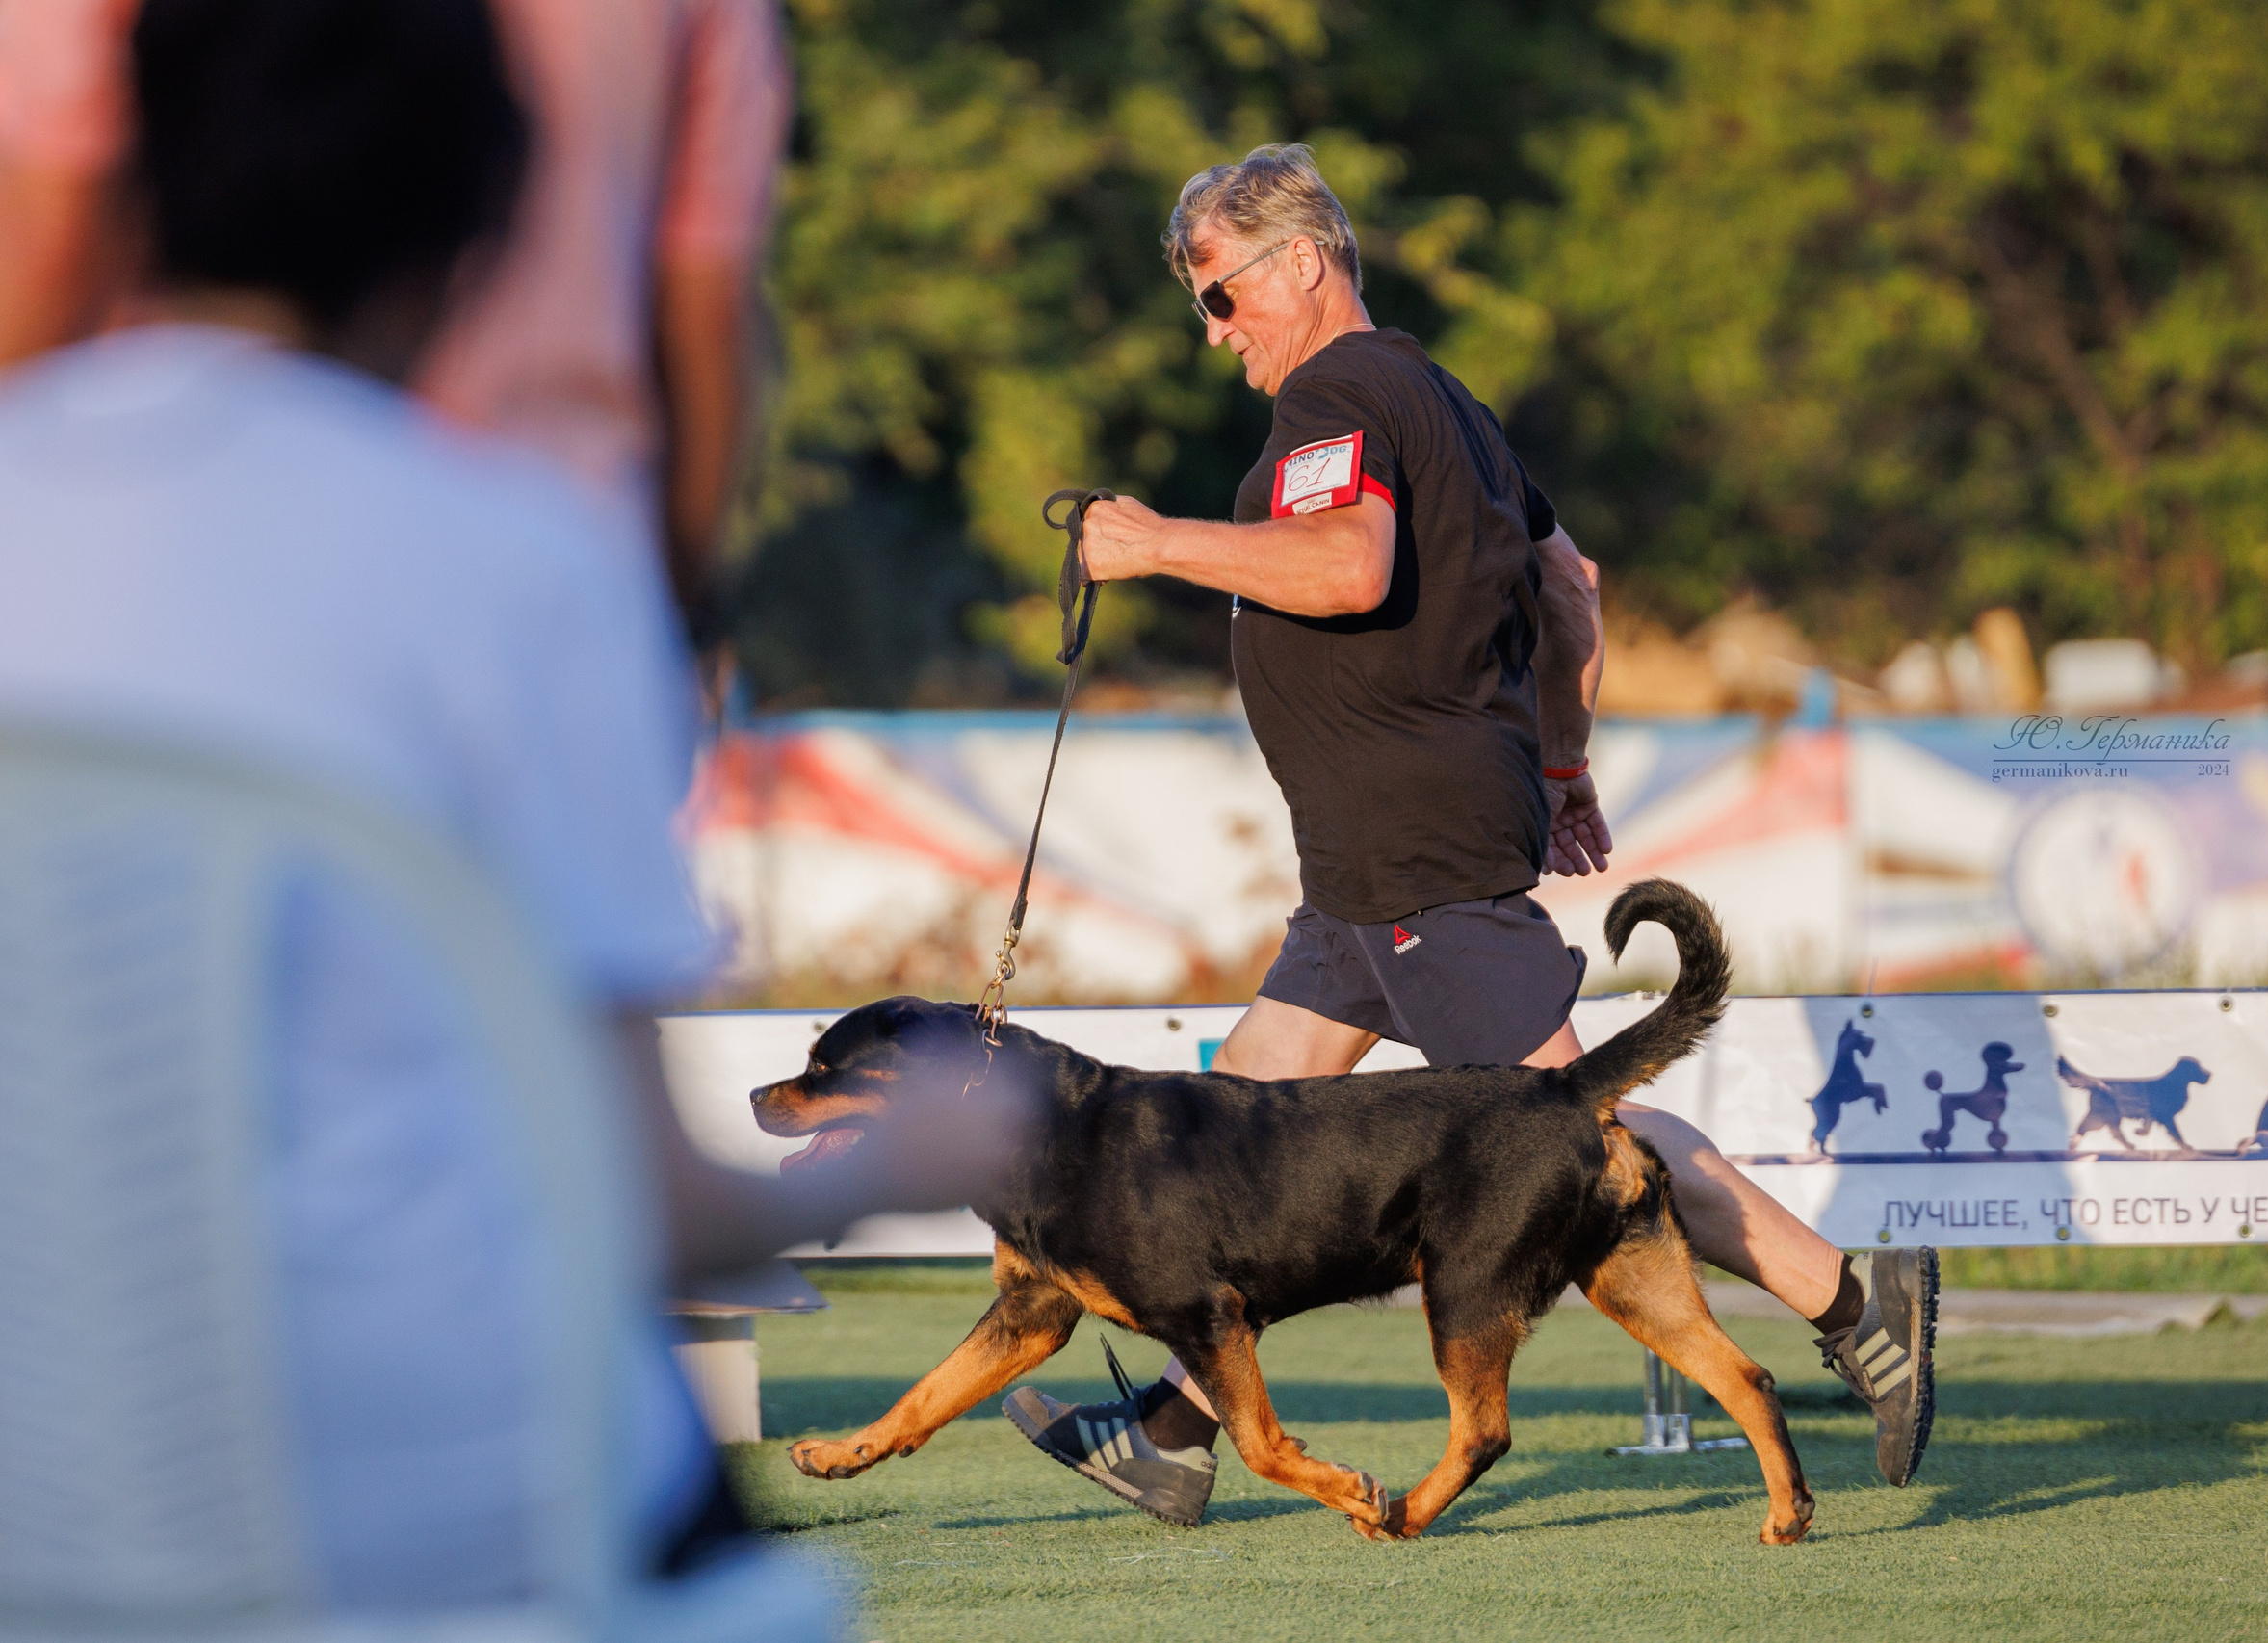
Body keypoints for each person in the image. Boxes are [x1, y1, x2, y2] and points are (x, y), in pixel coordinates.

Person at [0, 0, 1015, 1610]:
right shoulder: (518, 573)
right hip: (462, 1559)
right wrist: (906, 1159)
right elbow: (623, 1209)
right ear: (482, 232)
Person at [1001, 145, 1935, 1526]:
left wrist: (1160, 544)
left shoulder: (1339, 394)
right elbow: (1571, 585)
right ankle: (1173, 1435)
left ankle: (1854, 1298)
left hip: (1413, 852)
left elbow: (1349, 566)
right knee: (1230, 1141)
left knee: (1572, 1130)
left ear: (1299, 263)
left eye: (1218, 296)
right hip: (1370, 866)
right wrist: (1559, 761)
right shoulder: (1448, 398)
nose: (1215, 333)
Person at [0, 0, 788, 634]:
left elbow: (52, 246)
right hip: (547, 549)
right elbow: (704, 312)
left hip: (159, 557)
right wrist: (669, 603)